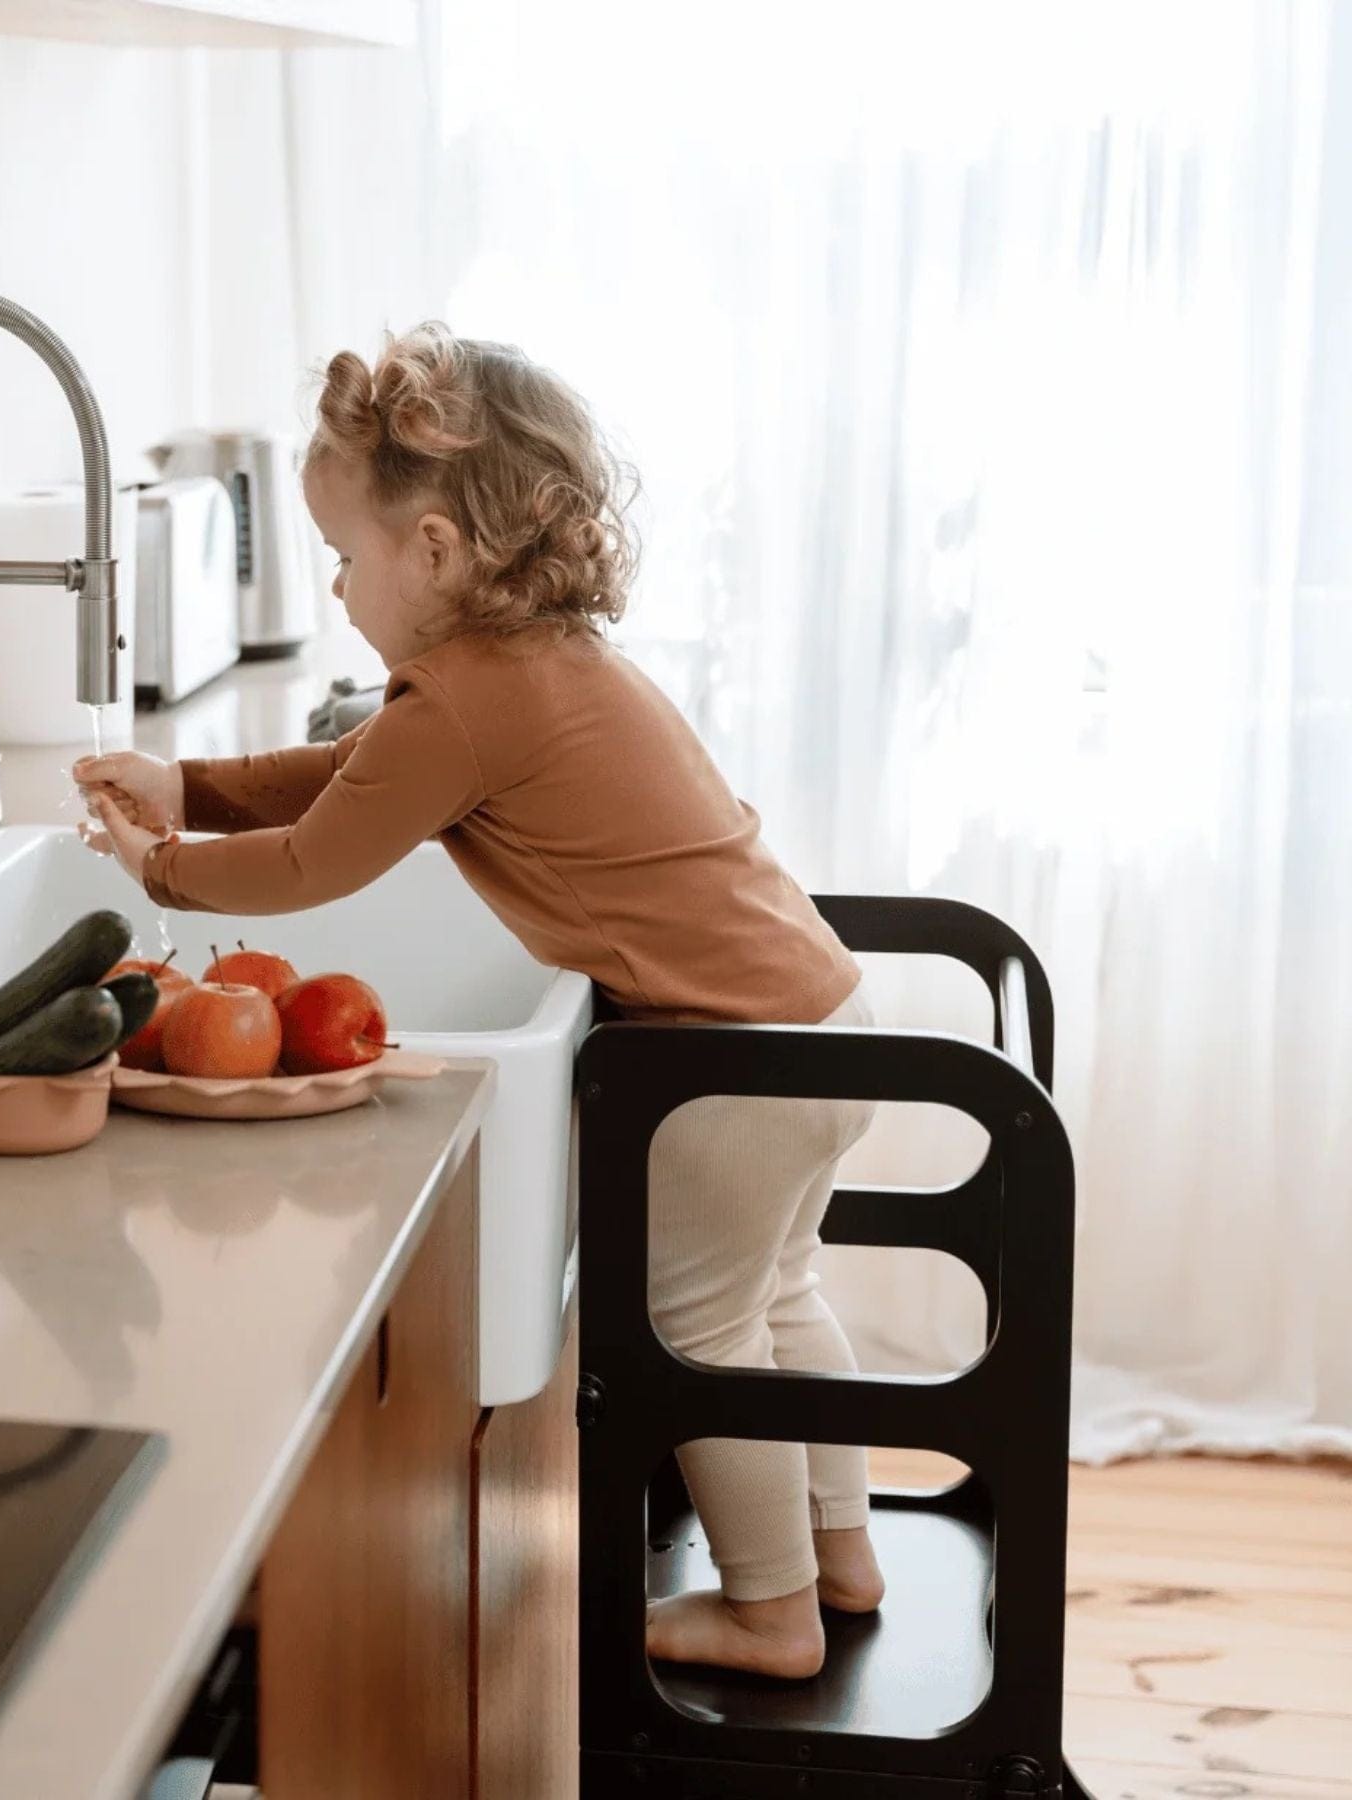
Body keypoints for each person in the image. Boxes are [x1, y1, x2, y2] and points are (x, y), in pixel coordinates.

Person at [77, 324, 881, 1678]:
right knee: (779, 1294)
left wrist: (154, 864)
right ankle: (838, 1551)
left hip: (728, 1070)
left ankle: (770, 1612)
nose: (334, 587)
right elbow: (349, 770)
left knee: (699, 1332)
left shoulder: (464, 704)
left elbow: (310, 860)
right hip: (818, 1021)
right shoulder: (530, 663)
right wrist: (192, 787)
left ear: (437, 550)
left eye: (344, 557)